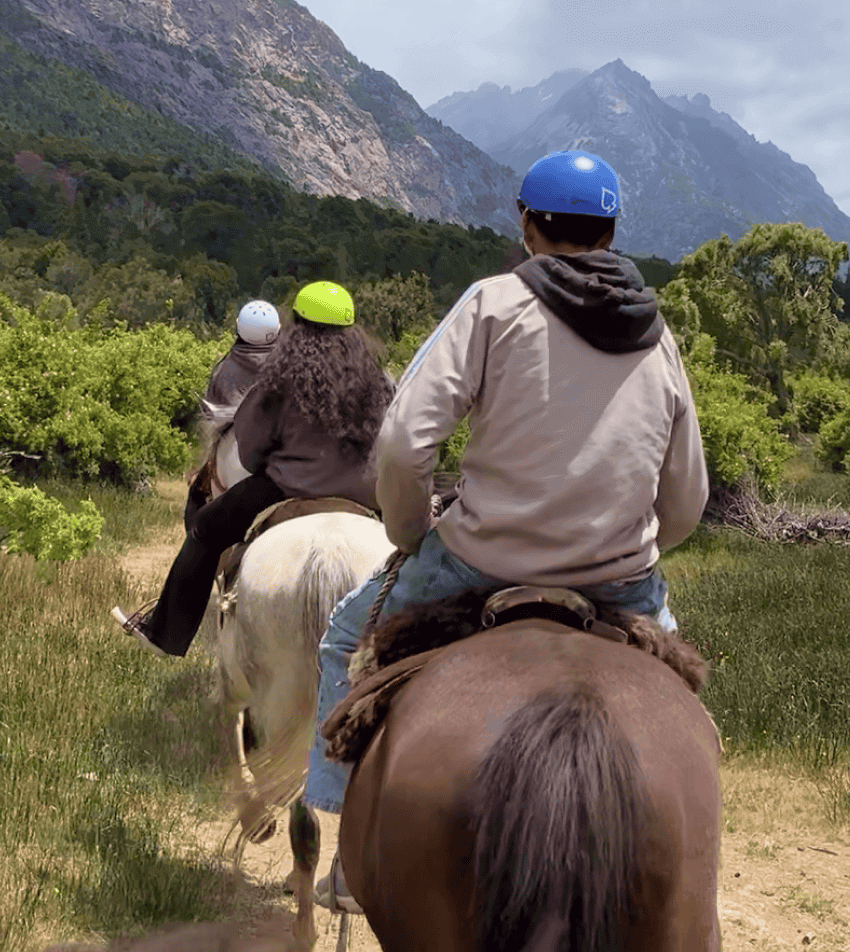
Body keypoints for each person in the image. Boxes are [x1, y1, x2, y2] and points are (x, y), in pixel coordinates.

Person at [304, 150, 709, 913]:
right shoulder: (658, 336)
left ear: (526, 222)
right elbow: (687, 497)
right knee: (688, 711)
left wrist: (410, 528)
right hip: (620, 581)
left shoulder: (493, 303)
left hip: (478, 564)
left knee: (343, 636)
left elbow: (403, 443)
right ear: (612, 230)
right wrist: (634, 546)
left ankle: (343, 847)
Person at [113, 281, 395, 658]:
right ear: (351, 331)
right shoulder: (381, 382)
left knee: (204, 531)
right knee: (419, 545)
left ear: (296, 325)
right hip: (369, 493)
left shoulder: (277, 380)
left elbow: (247, 450)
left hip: (285, 489)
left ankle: (167, 634)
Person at [183, 300, 282, 529]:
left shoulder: (224, 369)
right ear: (277, 331)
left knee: (197, 500)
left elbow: (211, 418)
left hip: (233, 445)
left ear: (239, 328)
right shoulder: (289, 366)